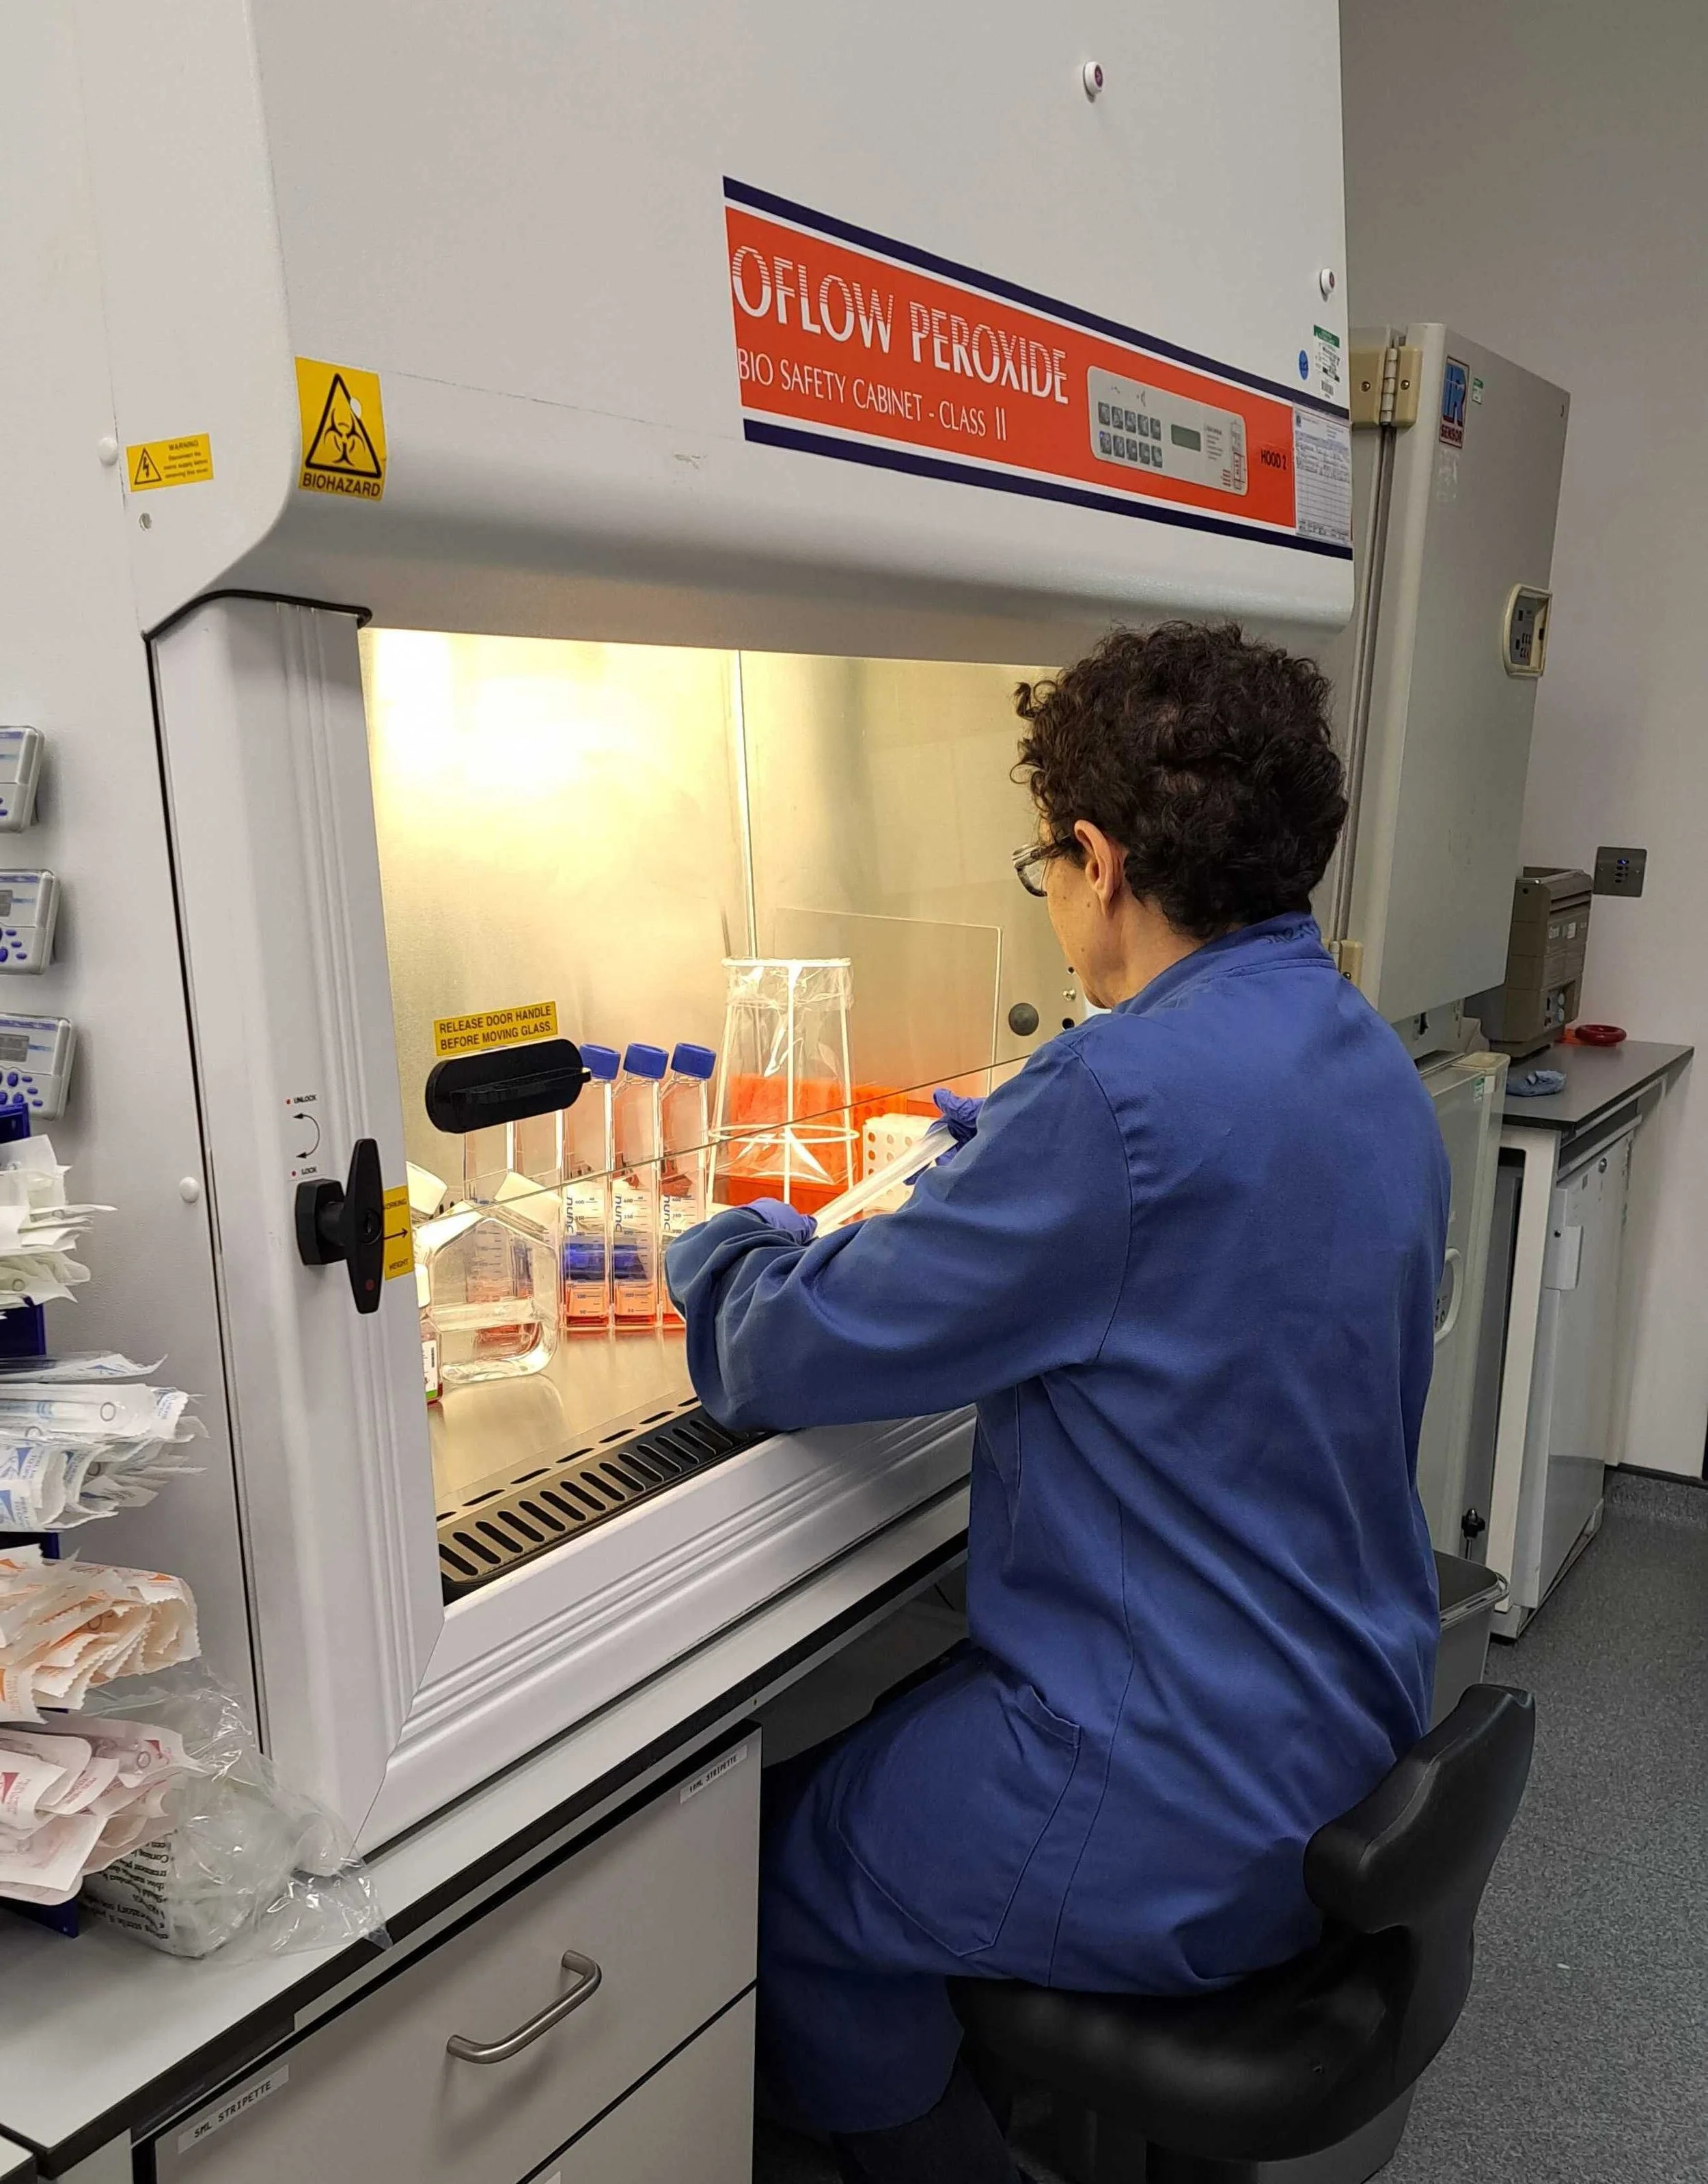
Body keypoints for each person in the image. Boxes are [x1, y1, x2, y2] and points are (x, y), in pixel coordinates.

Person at [665, 623, 1448, 2184]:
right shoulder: (1359, 1049)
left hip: (1171, 1777)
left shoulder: (1117, 1101)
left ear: (1091, 858)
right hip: (1342, 1712)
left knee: (769, 1884)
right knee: (885, 1734)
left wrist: (717, 1232)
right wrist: (1005, 1154)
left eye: (1047, 869)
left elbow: (773, 1354)